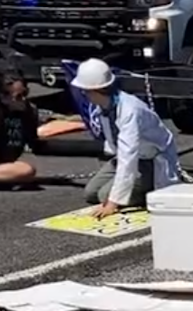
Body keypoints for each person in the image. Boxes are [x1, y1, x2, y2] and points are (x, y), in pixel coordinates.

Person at [72, 58, 182, 219]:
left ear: (96, 90)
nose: (84, 94)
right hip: (127, 158)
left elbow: (128, 157)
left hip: (149, 160)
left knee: (105, 196)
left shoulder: (130, 110)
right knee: (91, 193)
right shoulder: (104, 107)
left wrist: (112, 203)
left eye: (85, 91)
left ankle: (153, 192)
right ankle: (130, 191)